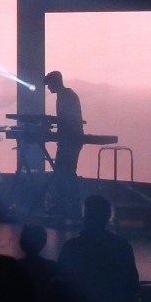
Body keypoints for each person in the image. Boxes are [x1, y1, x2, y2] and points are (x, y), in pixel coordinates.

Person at [56, 194, 139, 302]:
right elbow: (131, 285)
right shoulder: (122, 247)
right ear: (107, 218)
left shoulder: (71, 248)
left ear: (85, 218)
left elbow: (60, 284)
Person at [43, 70, 83, 219]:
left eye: (49, 85)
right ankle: (68, 208)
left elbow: (66, 120)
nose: (48, 88)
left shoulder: (66, 96)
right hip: (71, 139)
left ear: (55, 83)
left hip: (70, 140)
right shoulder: (66, 95)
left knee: (66, 174)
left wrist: (49, 123)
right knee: (64, 173)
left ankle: (70, 209)